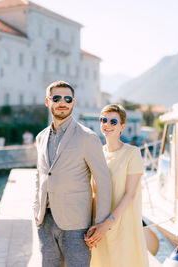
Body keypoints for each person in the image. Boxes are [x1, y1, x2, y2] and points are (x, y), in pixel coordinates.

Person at [34, 81, 112, 267]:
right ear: (47, 101)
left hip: (77, 225)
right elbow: (40, 175)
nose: (63, 102)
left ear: (73, 103)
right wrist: (36, 207)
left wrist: (100, 223)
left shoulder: (88, 137)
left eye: (68, 99)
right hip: (45, 222)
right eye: (57, 98)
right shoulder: (40, 137)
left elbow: (103, 181)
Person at [85, 104, 149, 267]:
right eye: (103, 120)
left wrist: (107, 224)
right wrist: (94, 227)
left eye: (113, 122)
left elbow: (130, 194)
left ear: (122, 126)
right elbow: (93, 193)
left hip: (123, 224)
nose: (107, 125)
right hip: (99, 226)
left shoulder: (132, 153)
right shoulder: (97, 154)